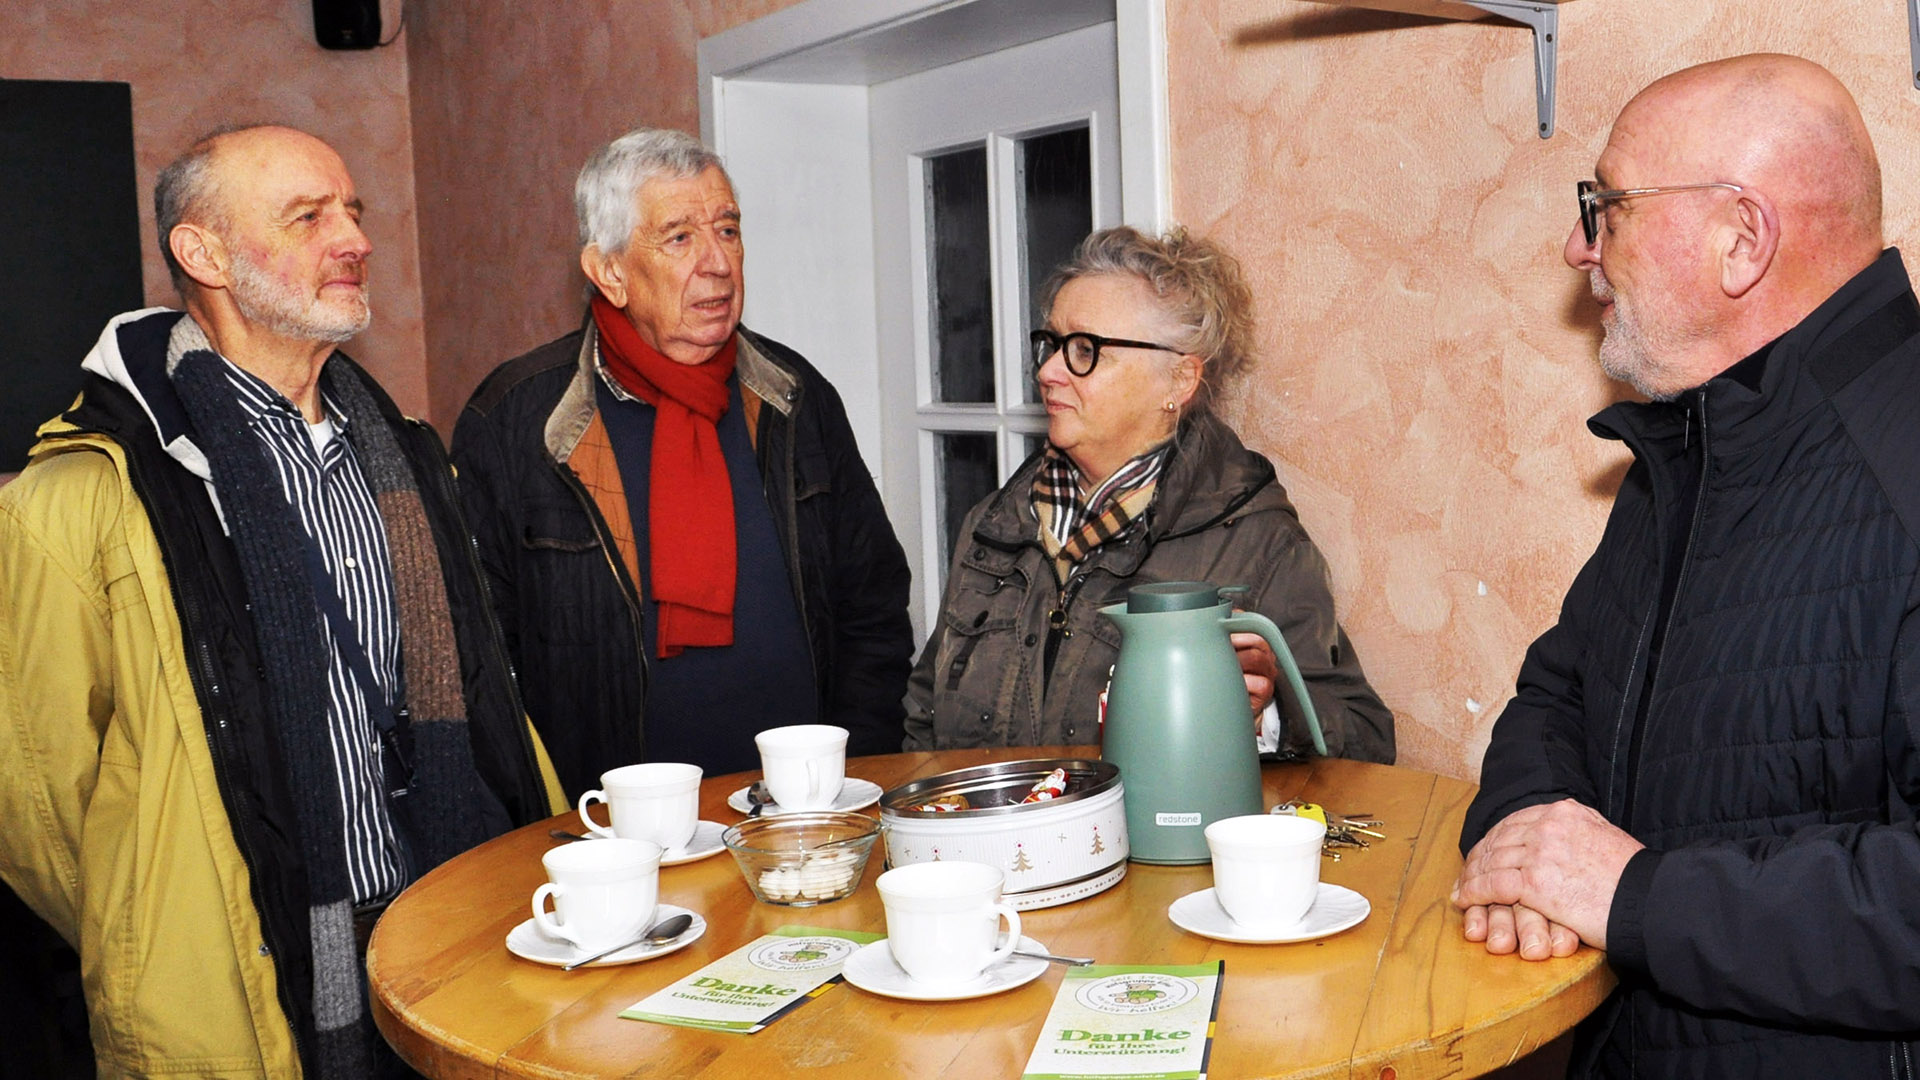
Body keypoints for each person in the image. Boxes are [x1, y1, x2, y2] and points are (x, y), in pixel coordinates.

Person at [0, 124, 559, 1078]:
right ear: (202, 252)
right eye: (307, 217)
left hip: (454, 924)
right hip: (237, 975)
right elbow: (34, 805)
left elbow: (486, 695)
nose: (354, 238)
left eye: (352, 211)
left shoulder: (410, 454)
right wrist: (153, 923)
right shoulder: (78, 501)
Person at [1452, 54, 1920, 1076]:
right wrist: (1531, 836)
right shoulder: (1692, 444)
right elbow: (1560, 690)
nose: (1578, 245)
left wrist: (1632, 899)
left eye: (1605, 205)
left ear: (1741, 237)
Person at [452, 128, 913, 798]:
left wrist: (856, 772)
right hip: (611, 832)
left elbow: (871, 605)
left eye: (727, 229)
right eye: (679, 237)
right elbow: (480, 665)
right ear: (609, 271)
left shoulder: (794, 398)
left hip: (804, 811)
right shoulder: (517, 423)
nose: (718, 262)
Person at [903, 226, 1394, 759]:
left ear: (1179, 380)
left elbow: (1364, 742)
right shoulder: (993, 526)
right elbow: (922, 722)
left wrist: (1267, 712)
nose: (1047, 371)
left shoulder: (1257, 543)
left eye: (1085, 350)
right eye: (1050, 345)